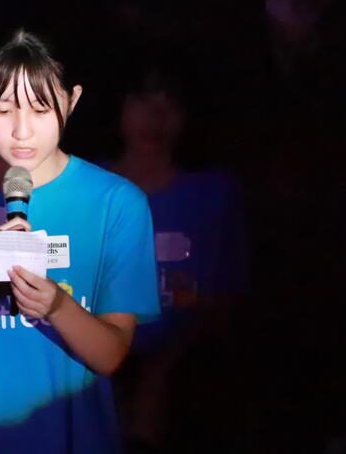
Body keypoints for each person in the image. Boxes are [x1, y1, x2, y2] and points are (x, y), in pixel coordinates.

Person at [0, 30, 160, 454]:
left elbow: (111, 355)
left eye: (41, 108)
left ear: (72, 100)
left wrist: (56, 305)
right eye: (2, 109)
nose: (21, 131)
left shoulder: (117, 203)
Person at [105, 62, 247, 451]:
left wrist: (162, 370)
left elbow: (227, 299)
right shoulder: (80, 187)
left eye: (171, 104)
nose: (155, 117)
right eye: (143, 100)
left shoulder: (213, 195)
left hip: (187, 377)